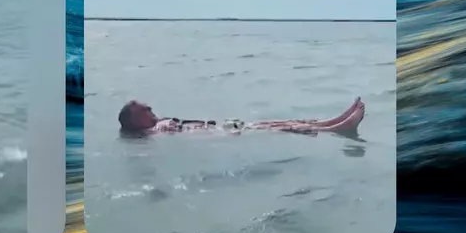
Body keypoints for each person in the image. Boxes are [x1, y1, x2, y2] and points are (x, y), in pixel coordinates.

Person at [118, 97, 365, 137]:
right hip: (224, 134)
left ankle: (333, 121)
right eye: (144, 109)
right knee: (279, 128)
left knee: (278, 122)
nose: (151, 108)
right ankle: (336, 129)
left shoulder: (156, 127)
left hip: (225, 126)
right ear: (135, 121)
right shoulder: (154, 132)